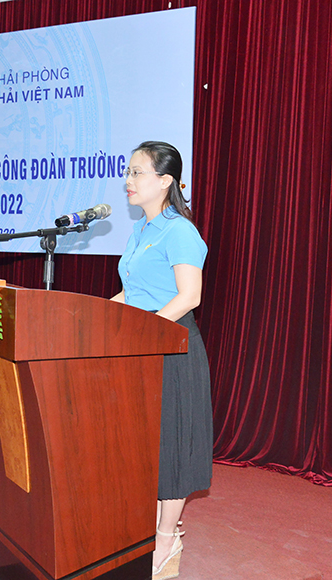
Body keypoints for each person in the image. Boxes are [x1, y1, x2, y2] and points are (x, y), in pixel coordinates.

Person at [111, 141, 213, 580]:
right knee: (145, 445)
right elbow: (131, 294)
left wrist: (144, 331)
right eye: (128, 172)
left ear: (165, 180)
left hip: (172, 349)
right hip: (143, 349)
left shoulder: (179, 231)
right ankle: (147, 530)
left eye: (137, 172)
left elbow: (189, 296)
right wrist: (91, 317)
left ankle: (167, 539)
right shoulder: (141, 230)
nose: (128, 181)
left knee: (170, 445)